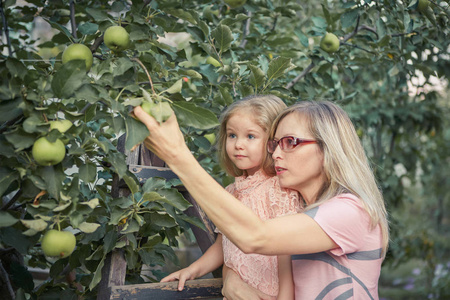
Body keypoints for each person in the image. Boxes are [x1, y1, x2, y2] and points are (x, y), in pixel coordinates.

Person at [133, 100, 389, 299]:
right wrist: (231, 276)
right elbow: (238, 244)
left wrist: (178, 156)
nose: (276, 153)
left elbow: (255, 237)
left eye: (290, 142)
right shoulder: (304, 211)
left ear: (328, 147)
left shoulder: (350, 211)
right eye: (275, 143)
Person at [160, 95, 302, 299]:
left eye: (250, 136)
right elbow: (223, 244)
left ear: (273, 142)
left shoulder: (278, 190)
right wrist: (193, 270)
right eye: (232, 135)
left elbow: (286, 251)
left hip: (268, 292)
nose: (238, 144)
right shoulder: (231, 192)